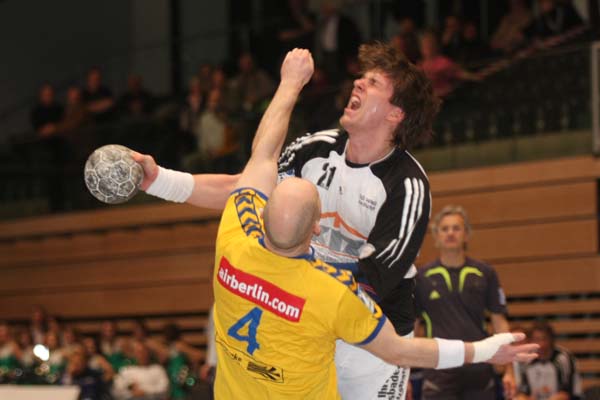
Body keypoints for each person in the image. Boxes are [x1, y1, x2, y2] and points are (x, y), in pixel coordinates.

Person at [134, 48, 538, 399]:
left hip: (371, 333)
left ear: (396, 113)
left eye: (373, 82)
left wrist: (285, 286)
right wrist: (160, 181)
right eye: (361, 77)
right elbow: (245, 187)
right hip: (307, 316)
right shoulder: (314, 148)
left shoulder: (407, 186)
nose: (358, 83)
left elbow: (375, 279)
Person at [415, 206, 516, 400]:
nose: (450, 233)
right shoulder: (421, 277)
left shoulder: (485, 273)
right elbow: (413, 326)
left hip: (479, 370)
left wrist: (509, 371)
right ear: (436, 236)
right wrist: (402, 374)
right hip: (439, 371)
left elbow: (499, 323)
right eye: (444, 229)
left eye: (456, 228)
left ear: (467, 234)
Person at [516, 322, 583, 400]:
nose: (541, 344)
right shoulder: (526, 359)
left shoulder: (563, 358)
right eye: (536, 339)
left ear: (551, 340)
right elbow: (522, 393)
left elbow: (566, 393)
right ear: (531, 341)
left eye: (544, 339)